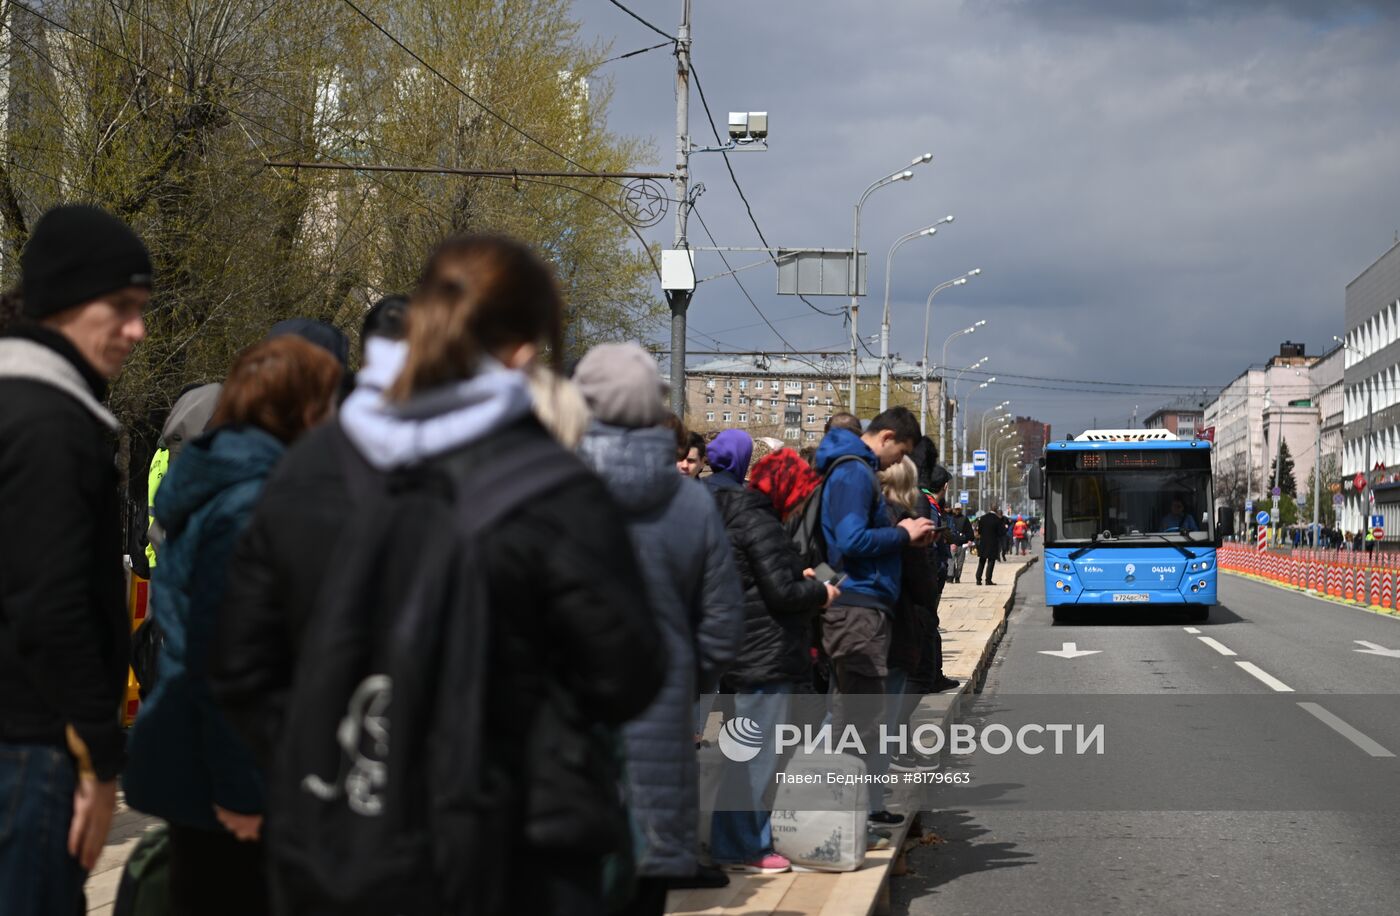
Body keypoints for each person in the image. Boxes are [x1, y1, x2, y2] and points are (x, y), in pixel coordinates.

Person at [211, 235, 666, 915]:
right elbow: (628, 671)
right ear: (522, 350)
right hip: (519, 855)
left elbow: (240, 664)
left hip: (339, 842)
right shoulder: (552, 488)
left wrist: (341, 756)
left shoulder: (310, 468)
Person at [124, 336, 342, 916]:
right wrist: (242, 789)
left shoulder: (215, 483)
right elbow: (230, 655)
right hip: (232, 780)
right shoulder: (250, 503)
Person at [0, 203, 151, 913]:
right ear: (62, 301)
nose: (136, 331)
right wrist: (98, 758)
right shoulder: (51, 423)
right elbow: (52, 603)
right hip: (32, 747)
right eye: (119, 308)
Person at [573, 342, 745, 913]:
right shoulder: (691, 503)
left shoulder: (553, 489)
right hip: (661, 711)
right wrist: (682, 677)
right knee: (647, 874)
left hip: (570, 724)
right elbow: (723, 616)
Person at [702, 430, 836, 876]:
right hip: (763, 651)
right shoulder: (760, 520)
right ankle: (749, 846)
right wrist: (820, 590)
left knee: (742, 754)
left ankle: (731, 841)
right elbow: (780, 592)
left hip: (743, 646)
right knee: (756, 759)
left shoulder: (729, 509)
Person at [814, 406, 933, 829]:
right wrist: (904, 534)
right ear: (885, 437)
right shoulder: (855, 473)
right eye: (899, 451)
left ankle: (855, 811)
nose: (896, 463)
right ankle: (837, 812)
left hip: (863, 605)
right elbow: (850, 540)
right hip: (858, 607)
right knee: (858, 718)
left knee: (856, 714)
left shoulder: (856, 470)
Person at [976, 506, 1007, 586]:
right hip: (993, 543)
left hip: (983, 543)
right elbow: (1002, 532)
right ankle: (988, 580)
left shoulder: (982, 518)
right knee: (991, 561)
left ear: (990, 508)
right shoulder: (997, 519)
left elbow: (979, 531)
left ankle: (978, 579)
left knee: (982, 561)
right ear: (996, 510)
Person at [948, 503, 975, 583]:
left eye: (959, 509)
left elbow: (969, 530)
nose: (957, 511)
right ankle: (950, 576)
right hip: (952, 543)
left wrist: (970, 539)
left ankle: (957, 576)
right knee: (951, 561)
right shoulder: (950, 518)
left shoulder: (964, 519)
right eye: (956, 509)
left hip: (962, 543)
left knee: (960, 562)